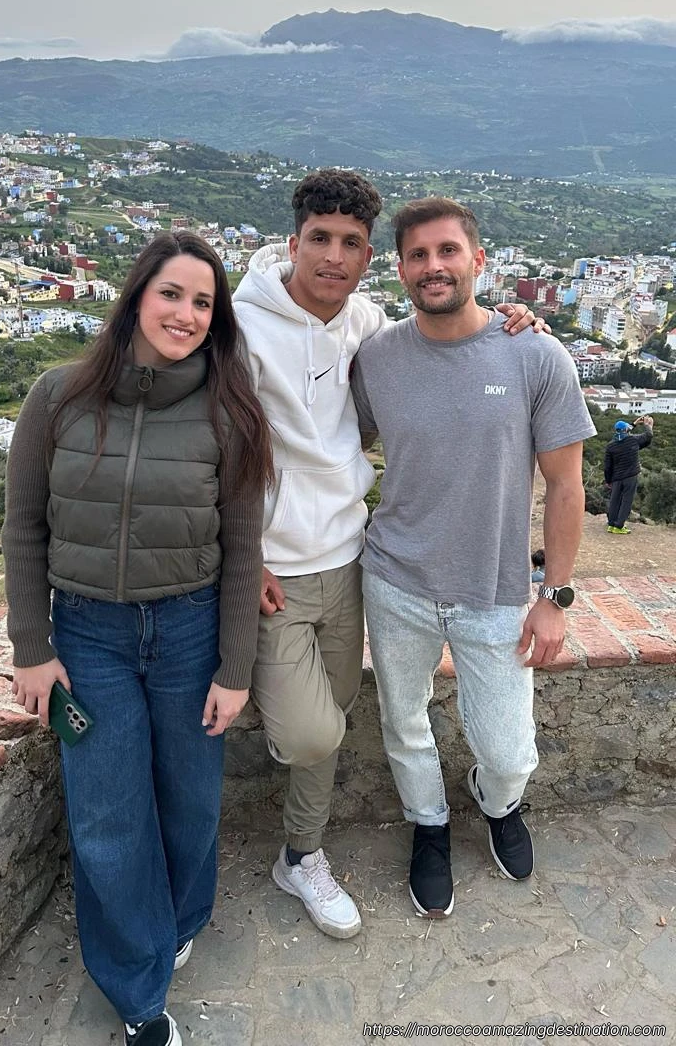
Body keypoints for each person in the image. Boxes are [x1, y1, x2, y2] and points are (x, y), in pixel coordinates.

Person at [233, 169, 546, 940]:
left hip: (348, 560)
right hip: (275, 570)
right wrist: (241, 556)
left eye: (350, 244)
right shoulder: (238, 327)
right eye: (319, 240)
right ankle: (353, 840)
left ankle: (317, 849)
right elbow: (212, 448)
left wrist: (519, 324)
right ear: (293, 240)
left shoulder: (370, 324)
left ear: (372, 257)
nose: (333, 257)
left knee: (348, 716)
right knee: (316, 732)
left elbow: (444, 356)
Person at [2, 232, 272, 1046]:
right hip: (89, 637)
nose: (186, 314)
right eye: (171, 294)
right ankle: (138, 995)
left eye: (203, 302)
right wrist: (29, 645)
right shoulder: (57, 398)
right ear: (135, 298)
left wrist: (235, 665)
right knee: (108, 815)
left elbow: (243, 548)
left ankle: (179, 919)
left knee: (190, 798)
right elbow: (22, 531)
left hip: (190, 630)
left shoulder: (228, 410)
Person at [350, 196, 596, 919]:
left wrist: (555, 596)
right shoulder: (379, 357)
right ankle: (428, 825)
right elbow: (332, 444)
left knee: (510, 747)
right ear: (400, 270)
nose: (434, 267)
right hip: (396, 578)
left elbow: (566, 483)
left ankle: (498, 802)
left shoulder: (533, 352)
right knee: (405, 721)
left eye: (448, 251)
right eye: (418, 256)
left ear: (479, 260)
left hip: (493, 589)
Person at [604, 416, 654, 534]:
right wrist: (648, 425)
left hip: (616, 478)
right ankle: (619, 526)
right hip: (630, 477)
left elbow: (607, 467)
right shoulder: (633, 440)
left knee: (614, 500)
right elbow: (648, 436)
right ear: (626, 430)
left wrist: (608, 480)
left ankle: (611, 524)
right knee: (626, 501)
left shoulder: (610, 446)